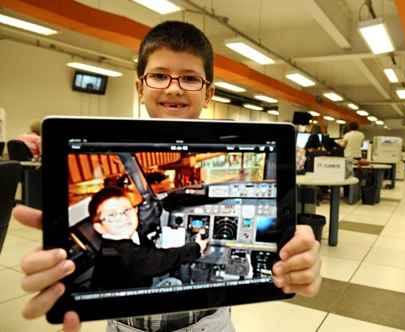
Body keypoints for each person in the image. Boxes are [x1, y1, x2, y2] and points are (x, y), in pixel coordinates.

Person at [14, 21, 321, 332]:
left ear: (209, 93)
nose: (174, 87)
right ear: (139, 86)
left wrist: (297, 263)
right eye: (159, 75)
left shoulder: (137, 226)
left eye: (190, 78)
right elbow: (147, 258)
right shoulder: (123, 244)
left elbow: (289, 253)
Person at [88, 186, 207, 291]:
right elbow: (158, 260)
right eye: (112, 215)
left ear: (135, 210)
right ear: (99, 227)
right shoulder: (115, 253)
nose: (123, 218)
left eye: (126, 210)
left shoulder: (128, 236)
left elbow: (145, 247)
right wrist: (195, 247)